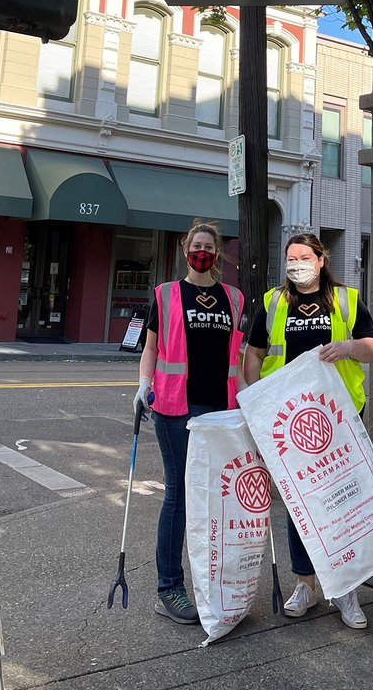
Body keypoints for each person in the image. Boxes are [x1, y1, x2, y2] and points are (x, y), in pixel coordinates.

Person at [243, 232, 373, 629]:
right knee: (299, 503)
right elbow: (252, 355)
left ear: (321, 261)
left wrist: (348, 347)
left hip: (340, 417)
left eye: (305, 256)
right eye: (291, 257)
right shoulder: (273, 302)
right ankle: (306, 584)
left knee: (342, 501)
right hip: (289, 423)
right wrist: (257, 402)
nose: (297, 263)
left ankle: (346, 588)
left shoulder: (345, 299)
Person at [134, 220, 244, 624]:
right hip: (174, 409)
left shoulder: (234, 298)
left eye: (208, 246)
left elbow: (239, 356)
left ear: (217, 254)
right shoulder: (165, 295)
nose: (202, 252)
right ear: (186, 251)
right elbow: (152, 347)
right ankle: (168, 589)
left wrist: (250, 399)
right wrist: (144, 383)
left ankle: (211, 582)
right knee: (178, 496)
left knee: (216, 499)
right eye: (196, 245)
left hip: (221, 411)